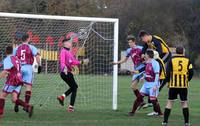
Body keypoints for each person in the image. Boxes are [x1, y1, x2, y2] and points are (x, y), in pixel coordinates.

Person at [162, 46, 193, 126]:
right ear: (183, 52)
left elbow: (168, 72)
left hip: (173, 85)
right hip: (183, 85)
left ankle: (165, 122)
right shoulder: (188, 60)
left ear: (175, 52)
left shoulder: (171, 60)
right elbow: (191, 72)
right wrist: (187, 80)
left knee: (170, 103)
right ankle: (186, 122)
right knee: (184, 103)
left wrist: (168, 82)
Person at [0, 46, 33, 118]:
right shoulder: (17, 58)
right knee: (14, 99)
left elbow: (6, 71)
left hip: (12, 80)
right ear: (12, 51)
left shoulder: (7, 59)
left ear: (6, 52)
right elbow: (16, 69)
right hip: (19, 80)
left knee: (2, 96)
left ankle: (0, 113)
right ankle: (27, 106)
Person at [57, 38, 89, 112]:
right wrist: (64, 68)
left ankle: (62, 97)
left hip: (68, 73)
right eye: (69, 42)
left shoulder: (69, 52)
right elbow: (62, 62)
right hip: (65, 73)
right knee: (74, 87)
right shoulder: (63, 51)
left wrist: (82, 62)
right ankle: (70, 108)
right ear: (65, 43)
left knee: (74, 87)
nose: (70, 43)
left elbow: (74, 62)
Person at [128, 50, 163, 117]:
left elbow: (157, 75)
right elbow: (145, 71)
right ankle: (132, 112)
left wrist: (155, 86)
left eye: (145, 54)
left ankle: (160, 113)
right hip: (146, 84)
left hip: (153, 84)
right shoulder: (147, 62)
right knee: (139, 98)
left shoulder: (155, 63)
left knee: (153, 100)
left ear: (148, 55)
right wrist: (142, 76)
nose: (144, 55)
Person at [112, 35, 145, 105]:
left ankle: (151, 103)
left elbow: (147, 58)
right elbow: (125, 60)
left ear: (134, 42)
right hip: (136, 70)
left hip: (143, 69)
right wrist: (116, 63)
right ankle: (142, 101)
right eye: (128, 42)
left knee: (148, 86)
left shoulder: (141, 48)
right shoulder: (129, 50)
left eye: (131, 42)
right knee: (133, 86)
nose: (129, 44)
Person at [13, 33, 41, 112]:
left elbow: (12, 58)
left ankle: (17, 102)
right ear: (28, 39)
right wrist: (39, 66)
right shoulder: (31, 47)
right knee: (28, 87)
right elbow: (37, 56)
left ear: (21, 40)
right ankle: (26, 106)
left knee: (18, 86)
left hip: (19, 68)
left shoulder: (17, 48)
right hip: (28, 68)